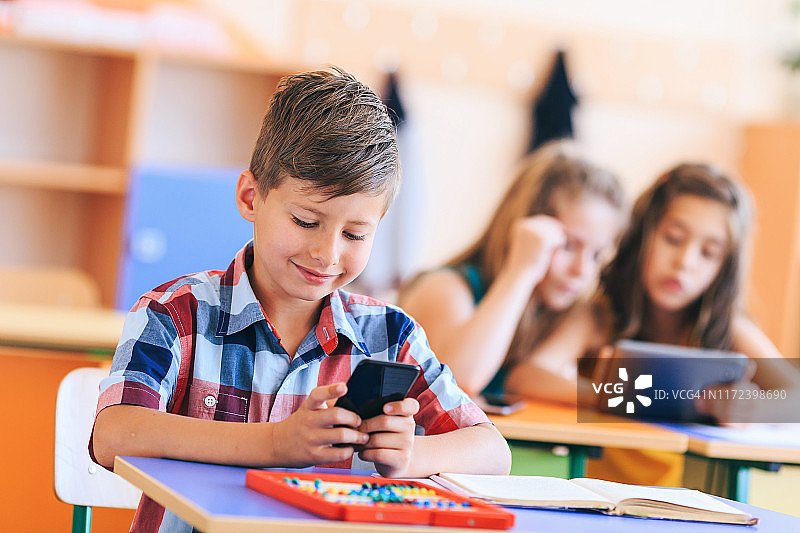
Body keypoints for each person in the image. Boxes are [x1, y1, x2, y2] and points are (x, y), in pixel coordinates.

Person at [91, 68, 511, 531]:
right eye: (306, 222)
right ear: (252, 198)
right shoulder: (176, 312)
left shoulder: (391, 336)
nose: (327, 253)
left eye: (355, 233)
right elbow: (113, 434)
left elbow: (492, 451)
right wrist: (274, 444)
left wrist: (410, 453)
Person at [587, 162, 800, 485]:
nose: (685, 262)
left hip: (681, 506)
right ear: (642, 234)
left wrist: (751, 408)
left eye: (709, 252)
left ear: (724, 267)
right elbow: (527, 375)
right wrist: (610, 393)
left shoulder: (729, 326)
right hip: (595, 496)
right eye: (673, 238)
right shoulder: (600, 314)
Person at [398, 141, 626, 403]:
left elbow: (527, 377)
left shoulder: (558, 313)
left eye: (596, 255)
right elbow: (460, 381)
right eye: (568, 245)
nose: (582, 270)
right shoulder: (445, 288)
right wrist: (522, 269)